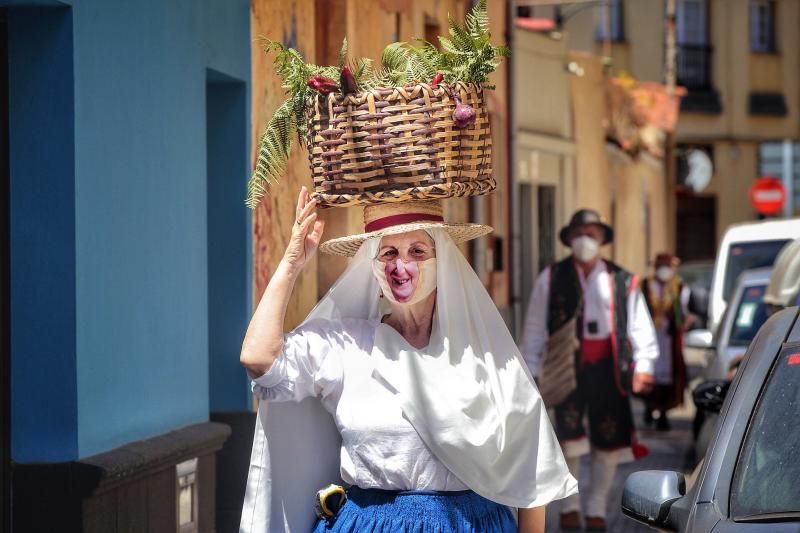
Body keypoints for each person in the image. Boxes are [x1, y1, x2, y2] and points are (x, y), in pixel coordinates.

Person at [239, 188, 578, 533]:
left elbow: (534, 468)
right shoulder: (345, 344)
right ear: (373, 268)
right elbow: (259, 359)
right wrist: (292, 261)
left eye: (417, 251)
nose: (401, 266)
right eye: (388, 252)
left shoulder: (486, 355)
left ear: (441, 261)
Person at [520, 209, 658, 532]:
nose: (586, 239)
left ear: (602, 240)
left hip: (609, 371)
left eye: (592, 233)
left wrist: (645, 365)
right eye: (580, 232)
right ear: (569, 239)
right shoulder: (551, 277)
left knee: (607, 442)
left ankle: (596, 509)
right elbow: (535, 326)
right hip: (567, 369)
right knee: (569, 440)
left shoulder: (623, 280)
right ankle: (569, 506)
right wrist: (530, 370)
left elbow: (640, 325)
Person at [639, 253, 692, 431]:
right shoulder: (645, 286)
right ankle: (649, 406)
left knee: (667, 377)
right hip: (648, 336)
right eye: (661, 265)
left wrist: (681, 323)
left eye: (667, 266)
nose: (664, 270)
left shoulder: (679, 288)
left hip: (668, 341)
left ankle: (662, 414)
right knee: (647, 369)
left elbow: (683, 314)